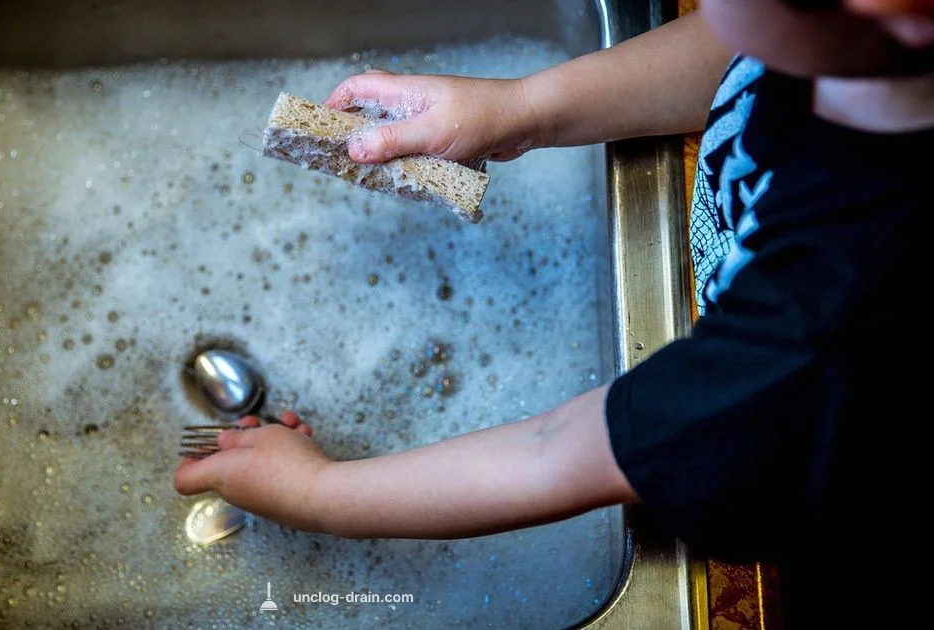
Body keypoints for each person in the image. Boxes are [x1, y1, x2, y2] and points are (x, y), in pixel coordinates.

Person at [176, 0, 932, 625]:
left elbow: (560, 451)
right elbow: (733, 50)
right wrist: (521, 109)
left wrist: (319, 496)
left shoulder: (827, 327)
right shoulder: (853, 50)